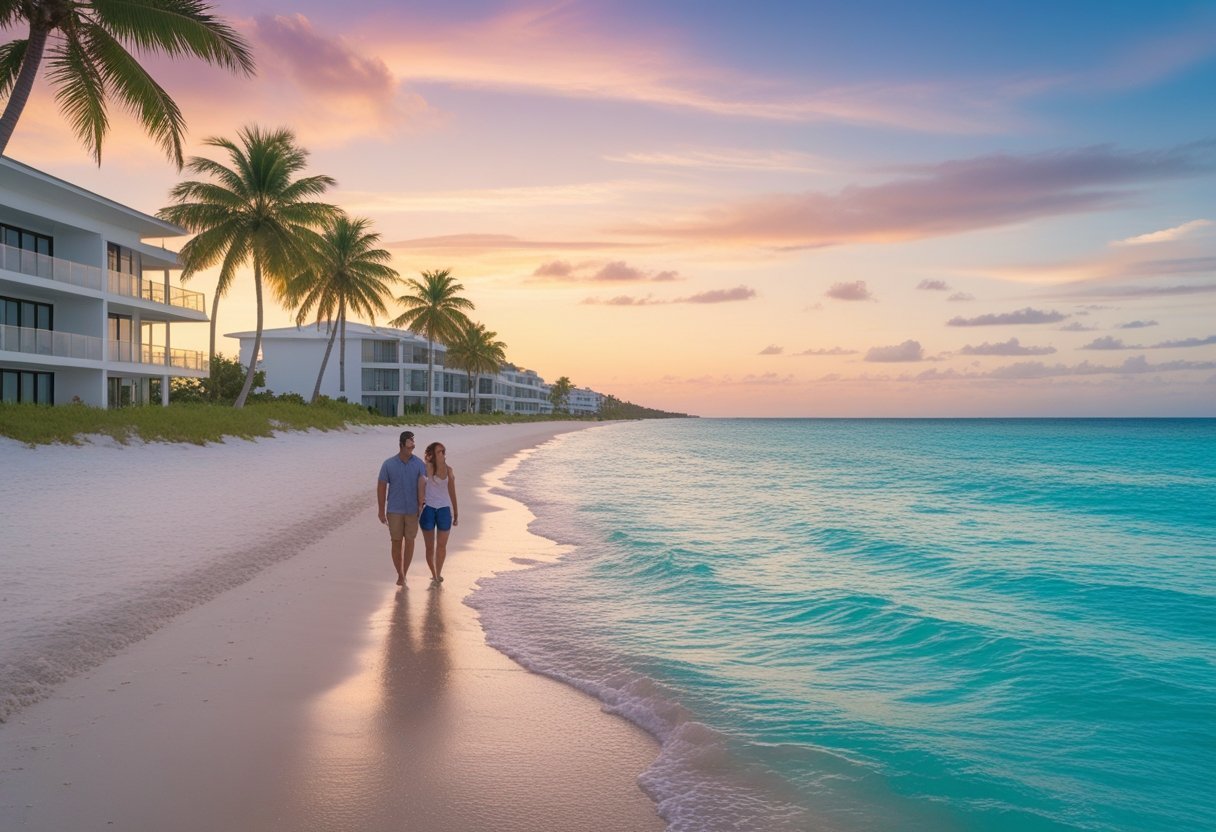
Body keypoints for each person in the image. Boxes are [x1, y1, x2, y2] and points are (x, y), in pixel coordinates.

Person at [377, 430, 427, 586]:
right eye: (409, 442)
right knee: (396, 542)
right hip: (394, 510)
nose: (412, 445)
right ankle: (400, 573)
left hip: (413, 511)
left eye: (413, 442)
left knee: (410, 541)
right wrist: (380, 509)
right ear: (401, 444)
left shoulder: (419, 464)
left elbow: (425, 486)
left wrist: (423, 505)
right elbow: (381, 486)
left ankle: (404, 572)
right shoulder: (389, 464)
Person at [420, 441, 459, 585]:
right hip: (428, 509)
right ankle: (434, 573)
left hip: (444, 510)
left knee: (442, 546)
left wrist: (456, 512)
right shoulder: (427, 468)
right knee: (429, 547)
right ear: (432, 455)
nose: (442, 454)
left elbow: (452, 492)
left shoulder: (449, 470)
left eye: (443, 451)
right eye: (439, 452)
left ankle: (439, 573)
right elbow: (419, 485)